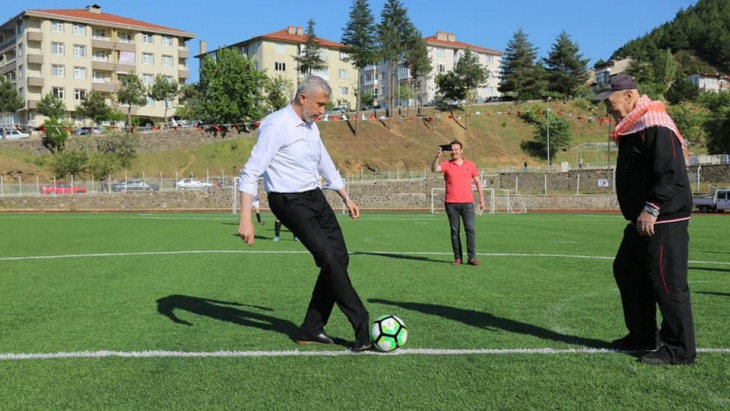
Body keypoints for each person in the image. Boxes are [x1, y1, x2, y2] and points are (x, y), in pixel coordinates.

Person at [237, 75, 371, 351]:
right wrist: (246, 218)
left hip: (315, 196)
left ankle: (311, 328)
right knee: (330, 260)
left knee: (339, 259)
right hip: (288, 201)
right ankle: (362, 325)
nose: (323, 111)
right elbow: (250, 171)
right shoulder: (276, 126)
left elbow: (324, 161)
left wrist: (346, 196)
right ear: (303, 98)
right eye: (320, 105)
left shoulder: (311, 127)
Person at [592, 74, 695, 365]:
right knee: (627, 270)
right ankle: (643, 335)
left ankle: (679, 349)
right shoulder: (636, 125)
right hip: (642, 219)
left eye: (609, 102)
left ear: (628, 95)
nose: (607, 109)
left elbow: (672, 173)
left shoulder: (656, 125)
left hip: (662, 218)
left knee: (668, 282)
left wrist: (651, 208)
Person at [431, 140, 486, 266]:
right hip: (451, 203)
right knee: (454, 231)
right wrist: (437, 157)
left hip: (467, 203)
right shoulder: (446, 164)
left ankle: (472, 258)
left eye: (456, 149)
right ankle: (458, 258)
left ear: (461, 151)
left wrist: (482, 199)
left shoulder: (470, 165)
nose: (453, 152)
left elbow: (478, 182)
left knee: (470, 230)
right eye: (452, 149)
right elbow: (434, 169)